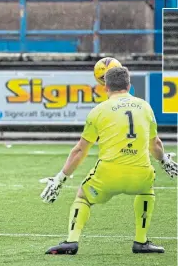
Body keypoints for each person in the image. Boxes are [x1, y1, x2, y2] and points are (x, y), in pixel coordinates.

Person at [40, 67, 177, 255]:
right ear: (129, 85)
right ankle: (141, 242)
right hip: (140, 174)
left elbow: (80, 150)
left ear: (105, 87)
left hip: (107, 176)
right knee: (147, 190)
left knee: (83, 196)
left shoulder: (98, 110)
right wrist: (164, 161)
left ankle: (71, 242)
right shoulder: (145, 106)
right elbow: (155, 144)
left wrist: (60, 178)